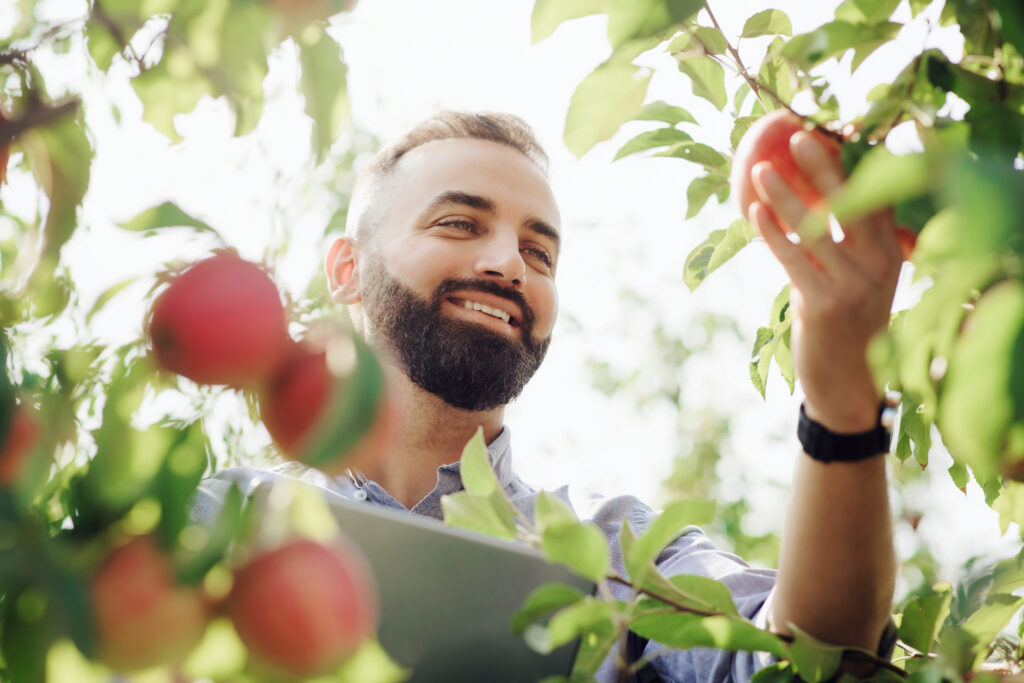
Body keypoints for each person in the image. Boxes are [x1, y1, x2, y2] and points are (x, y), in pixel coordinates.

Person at [192, 111, 899, 681]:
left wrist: (842, 402)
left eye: (540, 253)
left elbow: (807, 658)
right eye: (460, 223)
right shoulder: (227, 518)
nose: (508, 264)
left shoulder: (619, 553)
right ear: (347, 269)